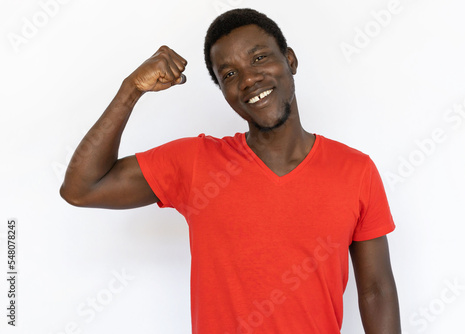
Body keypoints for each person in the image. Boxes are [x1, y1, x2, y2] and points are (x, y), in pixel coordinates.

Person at [60, 8, 401, 334]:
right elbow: (81, 188)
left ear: (291, 60)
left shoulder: (355, 171)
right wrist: (131, 89)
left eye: (259, 58)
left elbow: (376, 291)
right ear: (223, 91)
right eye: (230, 74)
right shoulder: (194, 163)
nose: (250, 78)